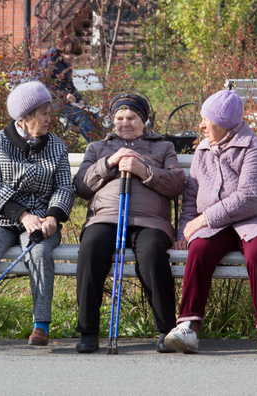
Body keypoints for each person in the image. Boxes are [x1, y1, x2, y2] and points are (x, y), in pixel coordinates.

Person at [164, 89, 257, 357]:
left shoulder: (254, 147)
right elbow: (191, 196)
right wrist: (186, 228)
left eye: (206, 119)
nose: (201, 125)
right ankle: (189, 326)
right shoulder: (203, 150)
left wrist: (203, 219)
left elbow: (250, 198)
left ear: (222, 122)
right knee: (199, 250)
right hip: (218, 224)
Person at [0, 81, 75, 347]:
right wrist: (22, 215)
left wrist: (53, 217)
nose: (50, 118)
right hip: (2, 216)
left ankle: (41, 325)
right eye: (44, 113)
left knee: (38, 253)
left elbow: (65, 187)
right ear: (25, 116)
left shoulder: (57, 146)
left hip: (42, 221)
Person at [73, 93, 185, 353]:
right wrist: (109, 163)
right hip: (106, 216)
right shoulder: (97, 148)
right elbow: (81, 186)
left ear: (143, 120)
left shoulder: (163, 147)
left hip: (151, 220)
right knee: (90, 249)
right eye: (119, 118)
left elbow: (177, 183)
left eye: (132, 117)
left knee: (153, 252)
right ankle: (88, 331)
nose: (125, 123)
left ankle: (166, 329)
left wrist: (144, 170)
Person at [39, 35, 97, 142]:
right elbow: (42, 84)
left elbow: (70, 85)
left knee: (95, 115)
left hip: (62, 102)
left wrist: (79, 99)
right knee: (82, 117)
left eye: (75, 56)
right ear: (65, 50)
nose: (73, 58)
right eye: (72, 55)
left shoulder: (66, 63)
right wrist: (64, 96)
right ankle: (96, 150)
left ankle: (104, 146)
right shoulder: (50, 57)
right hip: (48, 102)